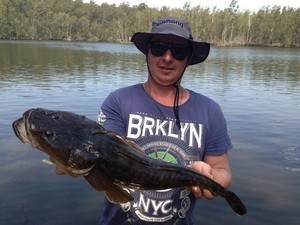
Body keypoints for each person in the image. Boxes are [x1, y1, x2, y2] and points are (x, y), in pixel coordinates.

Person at [96, 16, 233, 224]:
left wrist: (209, 176)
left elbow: (223, 173)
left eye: (178, 51)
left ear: (188, 59)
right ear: (148, 53)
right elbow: (104, 156)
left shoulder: (210, 111)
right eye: (159, 47)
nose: (168, 57)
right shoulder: (118, 101)